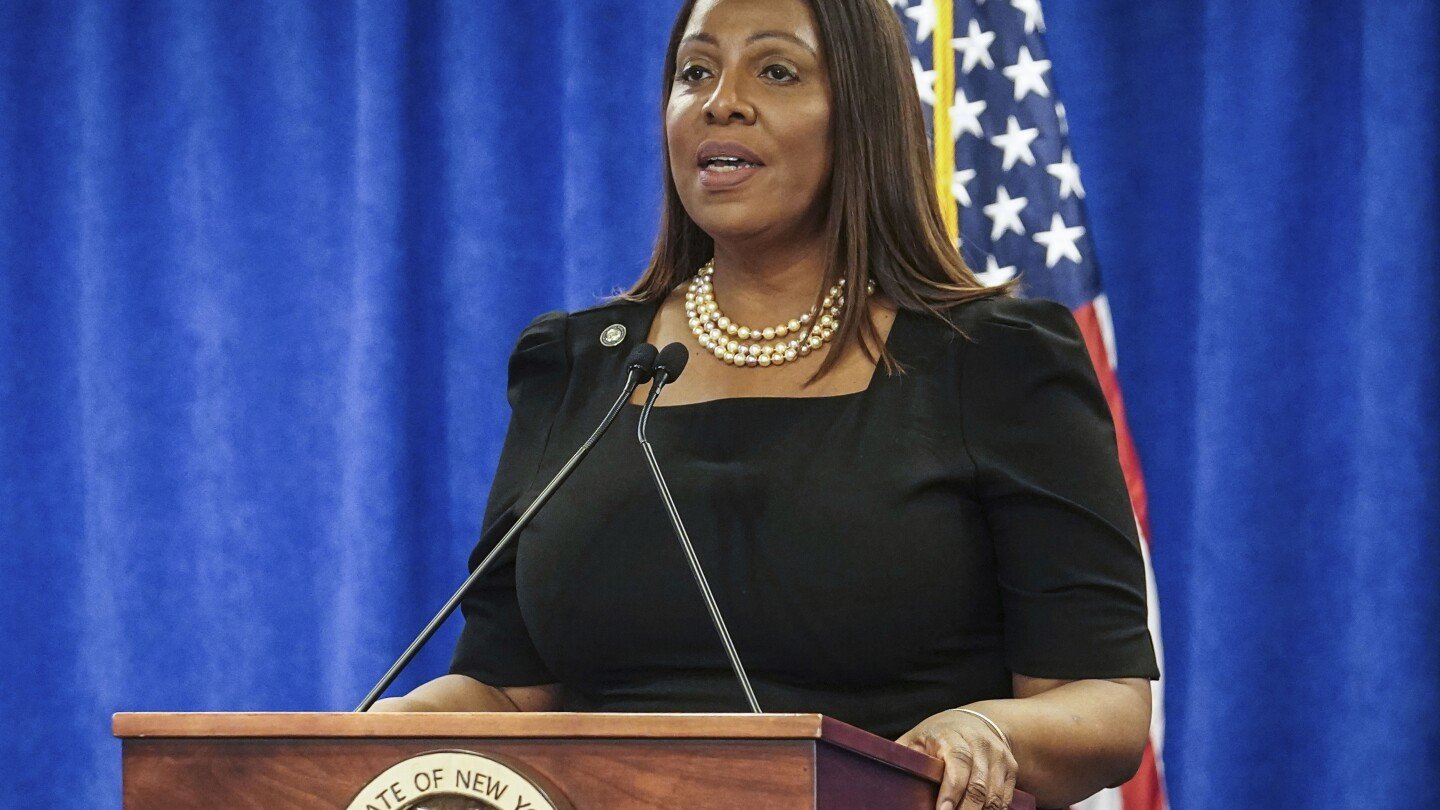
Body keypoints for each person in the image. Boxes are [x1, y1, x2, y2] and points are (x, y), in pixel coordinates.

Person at [372, 1, 1160, 808]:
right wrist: (368, 739)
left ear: (861, 113)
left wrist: (985, 731)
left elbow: (1103, 701)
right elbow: (505, 692)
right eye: (696, 72)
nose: (722, 102)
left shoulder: (996, 360)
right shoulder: (578, 366)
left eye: (776, 70)